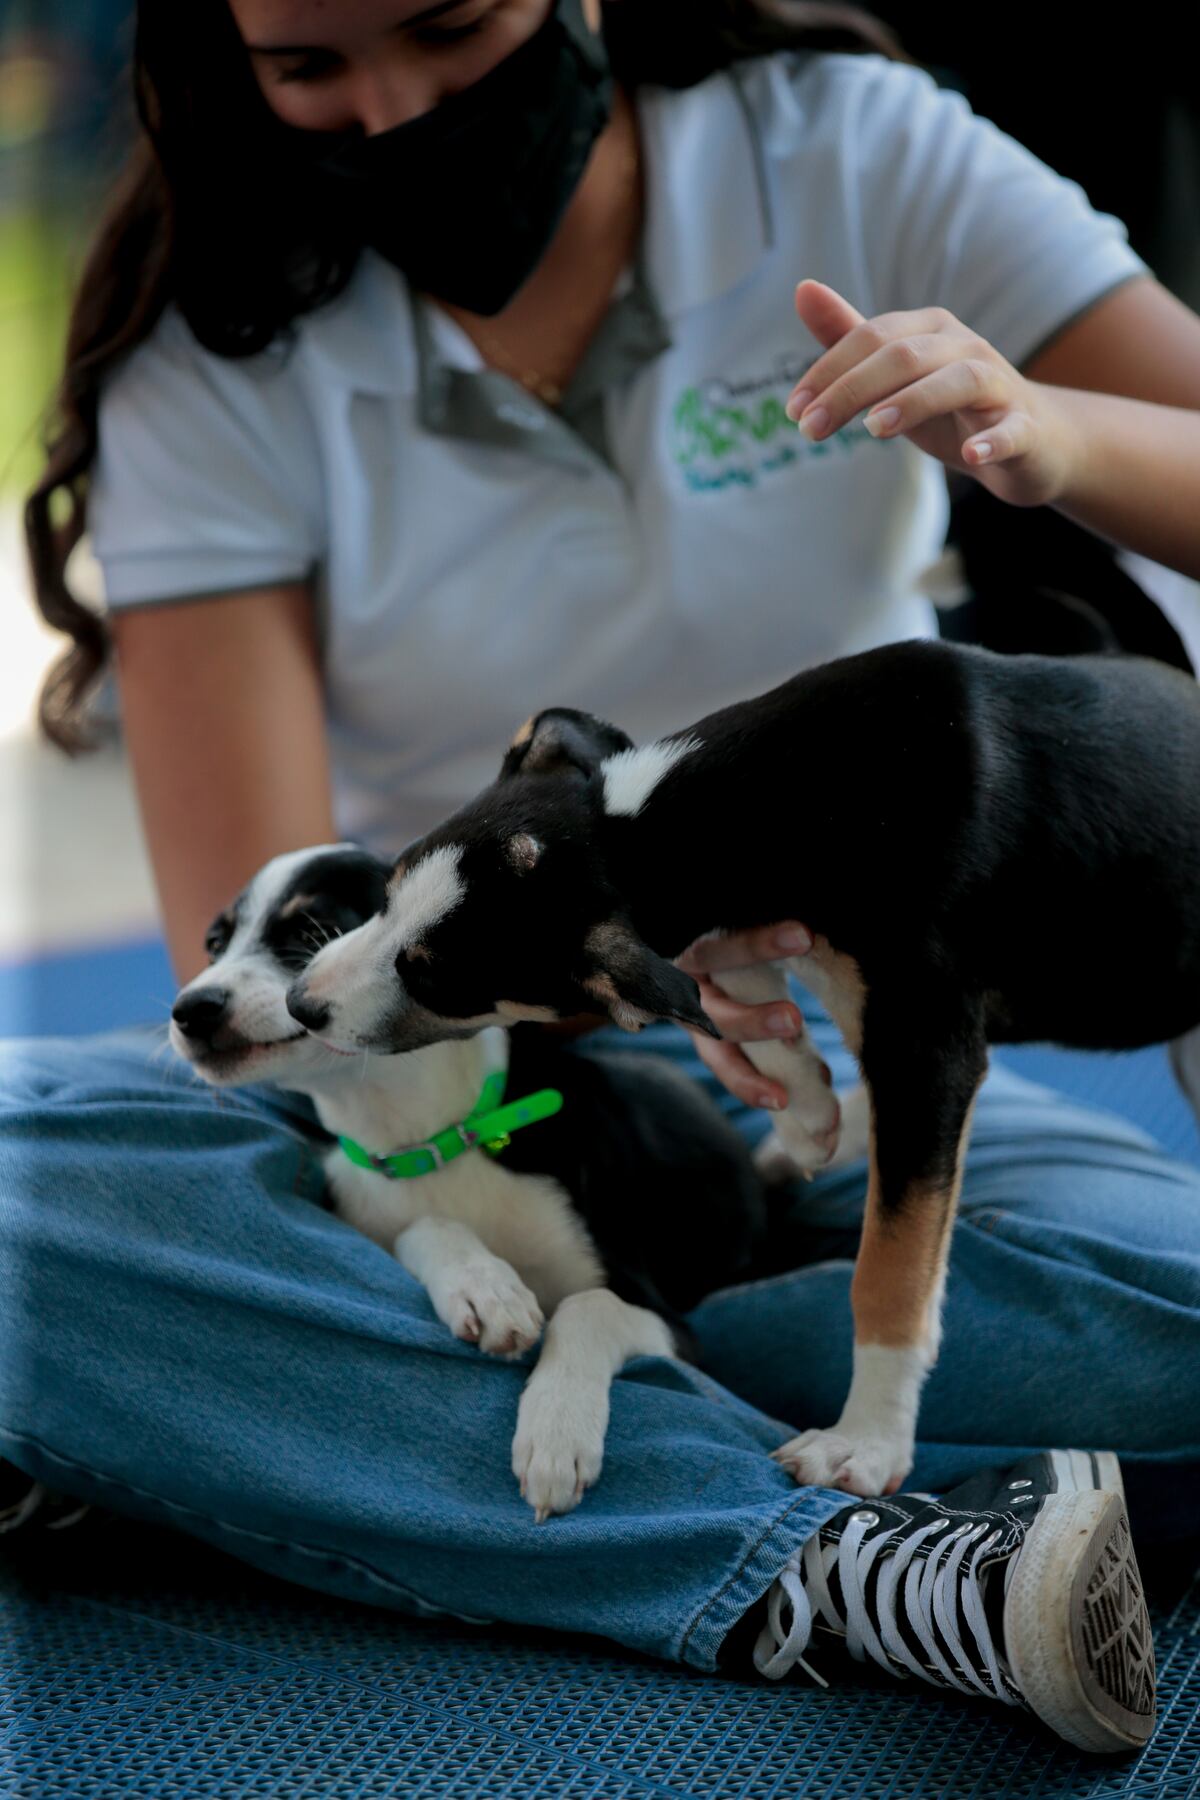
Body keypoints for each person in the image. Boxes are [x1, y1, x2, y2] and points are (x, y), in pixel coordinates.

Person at [7, 0, 1200, 1754]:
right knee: (31, 1185)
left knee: (1173, 1307)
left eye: (448, 29)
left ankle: (396, 1417)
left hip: (880, 1068)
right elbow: (288, 1028)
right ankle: (834, 1562)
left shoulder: (846, 148)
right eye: (310, 71)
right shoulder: (218, 347)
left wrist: (1057, 433)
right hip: (460, 1079)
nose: (397, 111)